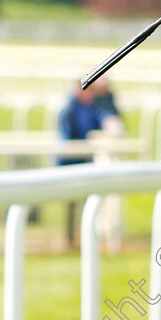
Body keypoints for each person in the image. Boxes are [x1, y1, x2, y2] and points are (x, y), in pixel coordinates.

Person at [57, 80, 123, 245]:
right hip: (69, 161)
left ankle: (83, 236)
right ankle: (70, 237)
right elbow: (68, 138)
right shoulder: (69, 108)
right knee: (71, 203)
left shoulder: (91, 105)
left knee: (86, 202)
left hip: (85, 160)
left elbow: (103, 116)